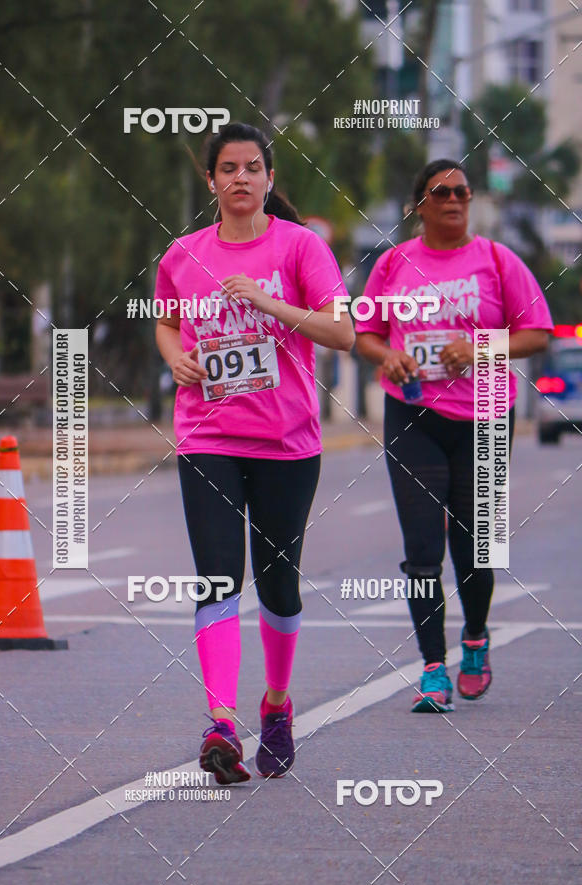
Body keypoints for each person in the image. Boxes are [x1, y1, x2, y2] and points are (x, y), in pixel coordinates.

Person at [155, 123, 354, 780]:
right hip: (207, 436)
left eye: (252, 167)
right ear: (210, 181)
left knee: (278, 586)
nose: (240, 178)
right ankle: (220, 723)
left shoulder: (301, 247)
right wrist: (176, 356)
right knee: (217, 577)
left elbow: (344, 332)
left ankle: (275, 702)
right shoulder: (183, 254)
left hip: (286, 443)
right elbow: (165, 317)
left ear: (270, 180)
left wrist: (270, 301)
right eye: (227, 168)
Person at [355, 159, 553, 713]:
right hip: (414, 414)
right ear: (419, 205)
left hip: (487, 412)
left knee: (474, 548)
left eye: (462, 192)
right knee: (422, 550)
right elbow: (364, 333)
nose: (454, 200)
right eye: (441, 192)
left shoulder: (496, 260)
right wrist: (389, 356)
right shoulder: (393, 264)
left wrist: (481, 348)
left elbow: (537, 333)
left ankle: (475, 638)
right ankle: (433, 667)